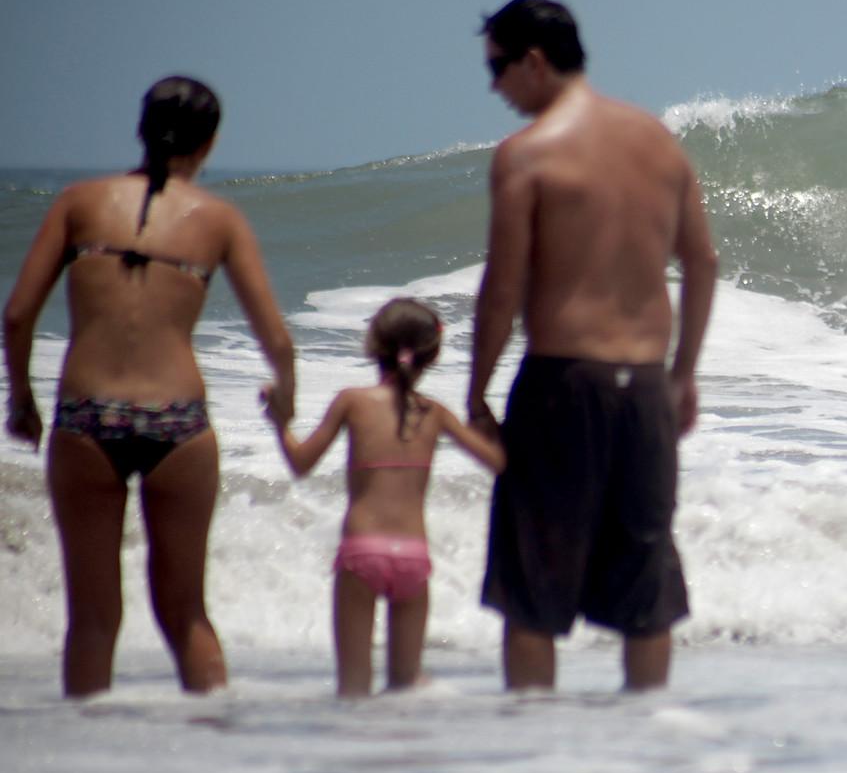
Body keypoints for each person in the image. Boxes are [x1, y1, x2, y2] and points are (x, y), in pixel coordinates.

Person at [3, 76, 296, 696]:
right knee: (186, 612)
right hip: (179, 421)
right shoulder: (218, 219)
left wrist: (21, 399)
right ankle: (214, 759)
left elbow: (17, 314)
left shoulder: (78, 203)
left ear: (140, 127)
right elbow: (277, 340)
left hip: (86, 417)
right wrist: (287, 398)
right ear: (210, 142)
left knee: (92, 619)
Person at [468, 0, 719, 691]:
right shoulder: (657, 142)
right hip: (642, 386)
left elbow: (503, 288)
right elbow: (702, 262)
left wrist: (477, 392)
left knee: (533, 595)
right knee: (646, 598)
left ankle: (535, 758)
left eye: (496, 67)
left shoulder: (527, 155)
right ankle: (644, 750)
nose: (493, 86)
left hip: (562, 383)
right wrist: (683, 373)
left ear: (534, 62)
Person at [263, 298, 504, 696]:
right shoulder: (435, 413)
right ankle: (401, 756)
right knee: (406, 687)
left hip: (362, 553)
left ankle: (357, 755)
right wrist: (489, 418)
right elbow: (497, 463)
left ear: (373, 344)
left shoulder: (352, 402)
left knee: (353, 689)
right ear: (433, 353)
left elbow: (301, 463)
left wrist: (280, 424)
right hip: (413, 556)